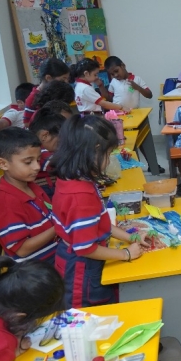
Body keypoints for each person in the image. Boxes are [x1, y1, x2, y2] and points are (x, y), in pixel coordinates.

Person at [51, 115, 148, 308]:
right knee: (91, 312)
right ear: (94, 152)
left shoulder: (74, 180)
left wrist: (131, 237)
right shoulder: (80, 196)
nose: (109, 160)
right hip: (81, 269)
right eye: (108, 153)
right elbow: (85, 248)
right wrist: (125, 254)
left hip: (80, 259)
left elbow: (101, 222)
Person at [0, 128, 57, 263]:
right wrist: (59, 227)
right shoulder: (5, 203)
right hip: (38, 269)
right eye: (28, 162)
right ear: (3, 164)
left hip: (55, 255)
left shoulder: (31, 186)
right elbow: (22, 249)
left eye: (38, 160)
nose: (37, 167)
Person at [29, 109, 66, 198]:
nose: (62, 145)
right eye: (60, 142)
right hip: (46, 190)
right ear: (45, 136)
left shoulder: (46, 148)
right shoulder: (38, 150)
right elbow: (53, 162)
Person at [24, 58, 70, 124]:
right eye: (63, 79)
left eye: (68, 79)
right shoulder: (32, 98)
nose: (66, 82)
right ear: (48, 78)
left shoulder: (58, 92)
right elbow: (27, 124)